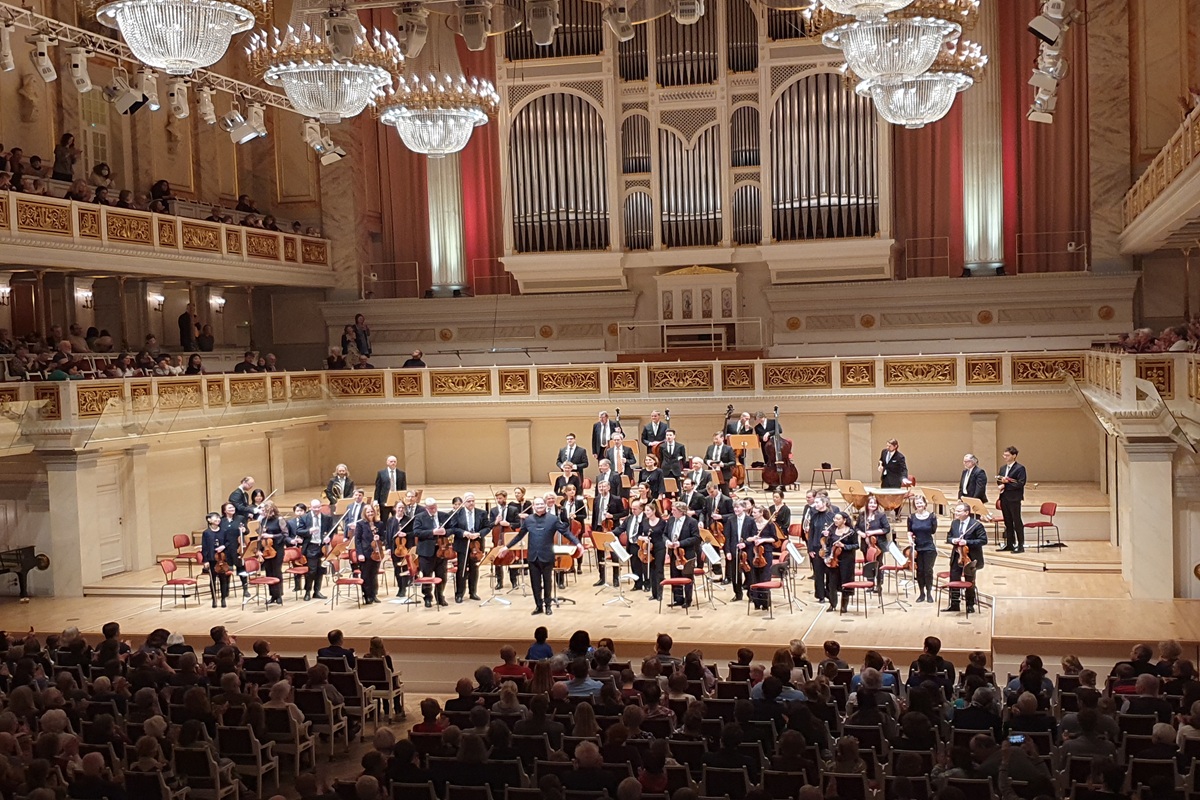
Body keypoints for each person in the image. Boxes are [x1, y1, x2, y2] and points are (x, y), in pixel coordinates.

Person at [501, 496, 582, 616]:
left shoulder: (553, 519)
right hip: (533, 556)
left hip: (547, 555)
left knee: (547, 581)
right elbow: (519, 536)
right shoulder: (528, 520)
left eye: (541, 504)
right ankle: (538, 606)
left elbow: (566, 532)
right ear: (533, 507)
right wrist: (506, 547)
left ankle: (548, 605)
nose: (539, 506)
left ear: (545, 506)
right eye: (537, 505)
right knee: (535, 583)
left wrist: (578, 543)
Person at [943, 502, 987, 613]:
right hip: (957, 556)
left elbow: (983, 540)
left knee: (970, 580)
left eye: (959, 511)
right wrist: (953, 540)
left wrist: (966, 542)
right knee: (954, 579)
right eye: (956, 511)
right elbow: (949, 537)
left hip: (970, 557)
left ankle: (970, 605)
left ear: (966, 512)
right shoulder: (954, 523)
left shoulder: (976, 525)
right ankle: (954, 604)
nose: (956, 513)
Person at [448, 492, 487, 603]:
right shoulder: (457, 513)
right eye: (468, 501)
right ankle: (459, 593)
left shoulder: (482, 513)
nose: (471, 503)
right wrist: (464, 533)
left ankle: (473, 592)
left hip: (477, 545)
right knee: (462, 569)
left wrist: (478, 534)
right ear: (464, 502)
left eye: (473, 501)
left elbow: (487, 527)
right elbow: (453, 528)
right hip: (462, 544)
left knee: (474, 569)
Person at [413, 497, 450, 608]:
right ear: (426, 508)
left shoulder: (444, 516)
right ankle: (427, 598)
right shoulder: (420, 517)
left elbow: (452, 528)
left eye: (434, 507)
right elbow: (417, 532)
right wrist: (433, 532)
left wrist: (445, 531)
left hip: (442, 551)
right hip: (426, 552)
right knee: (427, 576)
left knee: (442, 575)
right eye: (430, 508)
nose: (433, 509)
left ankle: (440, 596)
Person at [823, 510, 858, 613]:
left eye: (838, 519)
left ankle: (844, 605)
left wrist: (844, 546)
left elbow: (856, 545)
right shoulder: (832, 530)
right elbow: (829, 544)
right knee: (832, 583)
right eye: (834, 519)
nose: (835, 521)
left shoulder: (851, 532)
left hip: (847, 561)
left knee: (845, 582)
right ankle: (832, 604)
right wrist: (827, 554)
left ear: (844, 520)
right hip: (833, 560)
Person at [297, 499, 331, 601]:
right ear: (310, 507)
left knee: (320, 570)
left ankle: (317, 591)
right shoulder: (304, 518)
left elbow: (330, 531)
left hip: (322, 547)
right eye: (314, 507)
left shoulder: (326, 518)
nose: (316, 509)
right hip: (311, 547)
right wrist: (309, 531)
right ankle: (307, 591)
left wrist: (328, 538)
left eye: (318, 507)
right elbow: (298, 531)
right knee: (312, 571)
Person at [201, 512, 238, 608]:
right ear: (209, 520)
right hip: (212, 559)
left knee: (223, 579)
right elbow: (204, 547)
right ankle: (214, 599)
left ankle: (223, 598)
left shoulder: (223, 531)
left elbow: (228, 542)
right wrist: (205, 560)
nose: (218, 520)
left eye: (218, 518)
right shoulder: (206, 533)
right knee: (212, 579)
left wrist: (223, 546)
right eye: (215, 518)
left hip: (223, 558)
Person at [855, 494, 890, 592]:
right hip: (865, 543)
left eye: (874, 503)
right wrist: (861, 533)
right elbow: (856, 527)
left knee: (878, 563)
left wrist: (872, 532)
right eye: (870, 503)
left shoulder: (881, 515)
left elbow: (886, 529)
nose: (872, 505)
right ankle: (870, 584)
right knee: (868, 563)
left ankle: (879, 584)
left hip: (878, 543)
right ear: (867, 504)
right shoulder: (862, 515)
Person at [746, 505, 778, 610]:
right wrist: (753, 538)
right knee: (754, 578)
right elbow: (746, 537)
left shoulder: (769, 524)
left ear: (761, 513)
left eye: (755, 512)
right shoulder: (750, 524)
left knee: (765, 577)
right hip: (753, 553)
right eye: (753, 512)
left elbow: (774, 539)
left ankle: (765, 603)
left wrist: (763, 540)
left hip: (766, 553)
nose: (752, 514)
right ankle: (756, 602)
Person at [908, 494, 938, 603]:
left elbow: (933, 531)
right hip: (917, 548)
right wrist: (909, 538)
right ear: (914, 505)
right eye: (917, 503)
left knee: (928, 571)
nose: (919, 504)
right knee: (919, 571)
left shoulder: (932, 517)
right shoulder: (911, 517)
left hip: (929, 547)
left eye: (921, 502)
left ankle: (929, 592)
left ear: (925, 504)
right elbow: (910, 531)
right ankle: (921, 593)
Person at [996, 445, 1027, 553]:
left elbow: (1020, 484)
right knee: (1007, 522)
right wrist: (1001, 484)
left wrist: (1006, 485)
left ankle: (1021, 545)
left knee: (1017, 521)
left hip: (1014, 498)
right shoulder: (1003, 468)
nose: (1005, 457)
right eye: (1004, 455)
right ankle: (1010, 544)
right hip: (1004, 497)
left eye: (1007, 455)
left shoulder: (1020, 468)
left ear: (1014, 456)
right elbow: (999, 480)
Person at [353, 503, 385, 604]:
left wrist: (379, 538)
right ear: (364, 513)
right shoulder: (360, 524)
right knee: (366, 575)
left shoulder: (379, 524)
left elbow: (384, 537)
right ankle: (367, 595)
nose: (370, 513)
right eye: (368, 512)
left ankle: (374, 594)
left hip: (376, 552)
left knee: (374, 574)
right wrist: (360, 554)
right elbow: (357, 540)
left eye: (372, 511)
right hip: (365, 553)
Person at [374, 456, 405, 523]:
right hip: (385, 501)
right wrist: (376, 500)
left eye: (394, 461)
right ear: (387, 462)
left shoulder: (401, 473)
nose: (393, 463)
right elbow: (378, 487)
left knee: (397, 519)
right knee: (384, 519)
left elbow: (403, 488)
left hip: (397, 500)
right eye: (391, 461)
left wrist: (402, 500)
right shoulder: (381, 473)